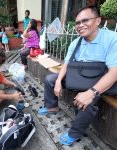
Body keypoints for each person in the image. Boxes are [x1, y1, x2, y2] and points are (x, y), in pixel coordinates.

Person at [38, 6, 117, 145]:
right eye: (77, 23)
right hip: (82, 76)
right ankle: (52, 106)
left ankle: (75, 132)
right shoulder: (76, 42)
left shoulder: (112, 38)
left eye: (85, 20)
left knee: (87, 101)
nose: (80, 25)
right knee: (51, 79)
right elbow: (66, 64)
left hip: (102, 79)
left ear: (98, 21)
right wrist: (58, 81)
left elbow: (114, 71)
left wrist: (91, 92)